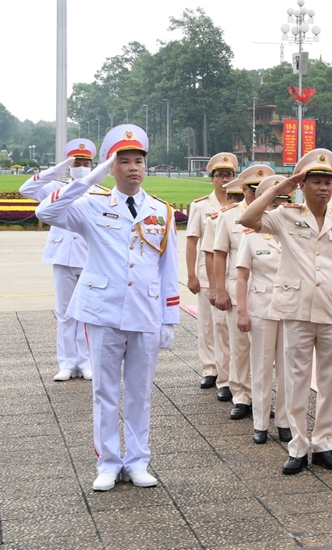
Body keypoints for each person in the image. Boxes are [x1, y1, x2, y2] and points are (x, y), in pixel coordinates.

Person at [36, 124, 179, 491]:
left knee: (139, 392)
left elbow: (168, 268)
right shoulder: (90, 205)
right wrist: (89, 179)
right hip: (103, 310)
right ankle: (108, 462)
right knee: (104, 391)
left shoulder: (160, 211)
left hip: (145, 311)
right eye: (124, 161)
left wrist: (169, 317)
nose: (133, 167)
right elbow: (48, 211)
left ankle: (137, 460)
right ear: (111, 167)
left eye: (139, 161)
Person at [240, 148, 332, 475]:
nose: (323, 187)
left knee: (329, 379)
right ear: (303, 185)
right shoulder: (286, 215)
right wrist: (279, 188)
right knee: (295, 381)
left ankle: (324, 443)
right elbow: (247, 219)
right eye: (316, 181)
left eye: (328, 181)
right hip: (296, 310)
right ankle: (297, 445)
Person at [20, 138, 98, 381]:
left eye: (86, 162)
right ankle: (66, 363)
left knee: (86, 313)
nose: (82, 167)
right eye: (77, 162)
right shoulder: (56, 187)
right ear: (69, 164)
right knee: (64, 312)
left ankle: (86, 362)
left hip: (90, 258)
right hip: (63, 256)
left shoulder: (99, 191)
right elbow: (26, 190)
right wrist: (59, 168)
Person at [210, 165, 275, 420]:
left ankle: (263, 398)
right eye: (253, 190)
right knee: (239, 347)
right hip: (237, 288)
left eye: (263, 190)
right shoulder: (228, 217)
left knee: (265, 353)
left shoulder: (278, 215)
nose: (257, 195)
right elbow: (219, 255)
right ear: (244, 189)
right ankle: (241, 396)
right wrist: (219, 289)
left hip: (269, 292)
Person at [236, 175, 293, 444]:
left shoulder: (295, 234)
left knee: (287, 369)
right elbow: (242, 277)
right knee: (261, 367)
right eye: (273, 203)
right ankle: (260, 423)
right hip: (261, 309)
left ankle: (283, 421)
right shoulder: (251, 237)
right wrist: (242, 312)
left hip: (290, 309)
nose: (277, 208)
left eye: (283, 202)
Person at [186, 153, 235, 395]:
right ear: (212, 179)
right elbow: (192, 242)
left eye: (228, 175)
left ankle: (228, 370)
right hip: (208, 274)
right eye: (219, 175)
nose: (224, 179)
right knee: (208, 324)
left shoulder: (239, 204)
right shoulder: (201, 206)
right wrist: (191, 275)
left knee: (227, 326)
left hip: (232, 273)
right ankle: (210, 368)